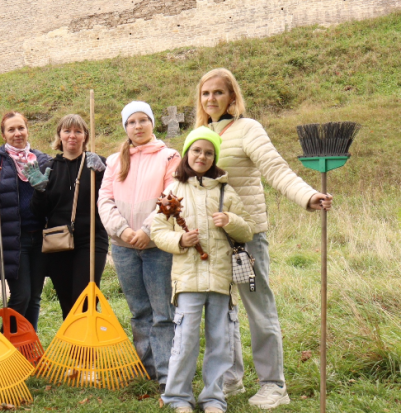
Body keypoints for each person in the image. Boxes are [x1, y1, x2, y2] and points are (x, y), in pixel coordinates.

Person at [196, 68, 332, 408]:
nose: (211, 99)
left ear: (232, 97)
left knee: (258, 309)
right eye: (205, 93)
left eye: (218, 93)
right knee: (221, 309)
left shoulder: (247, 128)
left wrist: (307, 196)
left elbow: (275, 168)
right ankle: (231, 378)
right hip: (213, 239)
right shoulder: (199, 133)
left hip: (246, 238)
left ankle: (274, 384)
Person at [153, 127, 255, 413]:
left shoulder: (226, 191)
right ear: (187, 154)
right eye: (197, 150)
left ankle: (213, 398)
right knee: (185, 341)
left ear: (215, 158)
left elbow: (247, 230)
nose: (202, 156)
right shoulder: (173, 191)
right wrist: (180, 240)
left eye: (209, 153)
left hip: (221, 281)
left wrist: (230, 220)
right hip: (188, 281)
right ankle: (178, 397)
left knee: (220, 343)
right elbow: (157, 229)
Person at [97, 101, 180, 391]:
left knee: (162, 311)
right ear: (125, 127)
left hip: (157, 246)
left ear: (152, 123)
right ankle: (146, 369)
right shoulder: (115, 161)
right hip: (123, 247)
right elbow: (105, 199)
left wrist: (147, 230)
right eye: (132, 122)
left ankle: (167, 374)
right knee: (139, 310)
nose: (138, 126)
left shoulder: (169, 157)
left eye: (143, 120)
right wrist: (124, 230)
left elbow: (171, 197)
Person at [29, 114, 108, 319]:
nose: (72, 136)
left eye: (78, 131)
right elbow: (38, 212)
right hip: (58, 241)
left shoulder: (97, 165)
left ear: (85, 136)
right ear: (59, 136)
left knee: (86, 299)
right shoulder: (49, 168)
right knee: (67, 303)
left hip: (91, 239)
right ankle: (74, 350)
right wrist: (39, 191)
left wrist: (103, 172)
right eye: (67, 131)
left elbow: (111, 197)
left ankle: (89, 348)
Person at [0, 111, 51, 330]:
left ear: (27, 130)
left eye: (21, 128)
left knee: (35, 297)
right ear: (3, 135)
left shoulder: (42, 160)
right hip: (14, 239)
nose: (17, 133)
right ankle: (6, 344)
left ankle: (28, 348)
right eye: (11, 129)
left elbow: (53, 199)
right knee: (21, 295)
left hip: (40, 238)